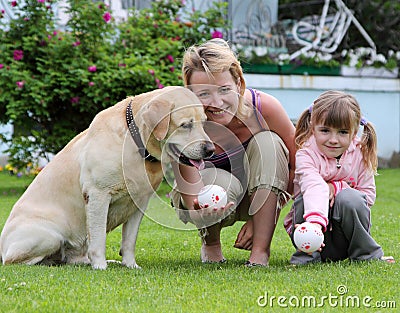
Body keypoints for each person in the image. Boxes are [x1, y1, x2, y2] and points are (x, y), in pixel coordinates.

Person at [170, 38, 296, 266]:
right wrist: (200, 209)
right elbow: (189, 192)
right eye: (203, 94)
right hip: (213, 195)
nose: (216, 102)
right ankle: (211, 245)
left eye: (224, 89)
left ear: (239, 83)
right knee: (218, 179)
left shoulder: (265, 109)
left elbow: (298, 166)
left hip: (258, 196)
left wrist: (264, 219)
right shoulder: (184, 121)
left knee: (270, 142)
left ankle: (260, 252)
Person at [283, 90, 395, 264]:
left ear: (354, 131)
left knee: (350, 197)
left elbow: (368, 196)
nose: (333, 139)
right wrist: (314, 224)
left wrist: (336, 188)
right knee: (307, 198)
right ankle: (306, 257)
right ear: (313, 127)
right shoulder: (307, 153)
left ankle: (366, 255)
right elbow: (312, 185)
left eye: (342, 132)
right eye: (325, 130)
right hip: (310, 232)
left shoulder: (360, 153)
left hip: (345, 237)